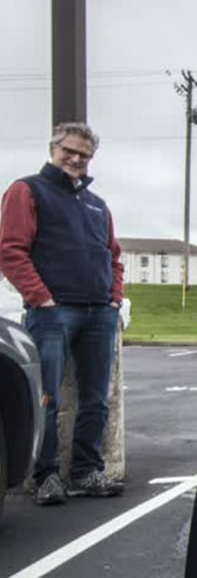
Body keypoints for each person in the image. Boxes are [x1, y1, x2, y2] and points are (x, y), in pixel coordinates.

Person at [0, 122, 125, 505]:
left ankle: (87, 471)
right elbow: (10, 250)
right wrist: (42, 298)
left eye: (84, 155)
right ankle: (46, 476)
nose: (75, 159)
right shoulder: (27, 191)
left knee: (95, 398)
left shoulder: (97, 205)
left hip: (99, 313)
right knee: (47, 397)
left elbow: (114, 257)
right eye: (68, 150)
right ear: (53, 148)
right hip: (53, 313)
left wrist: (114, 299)